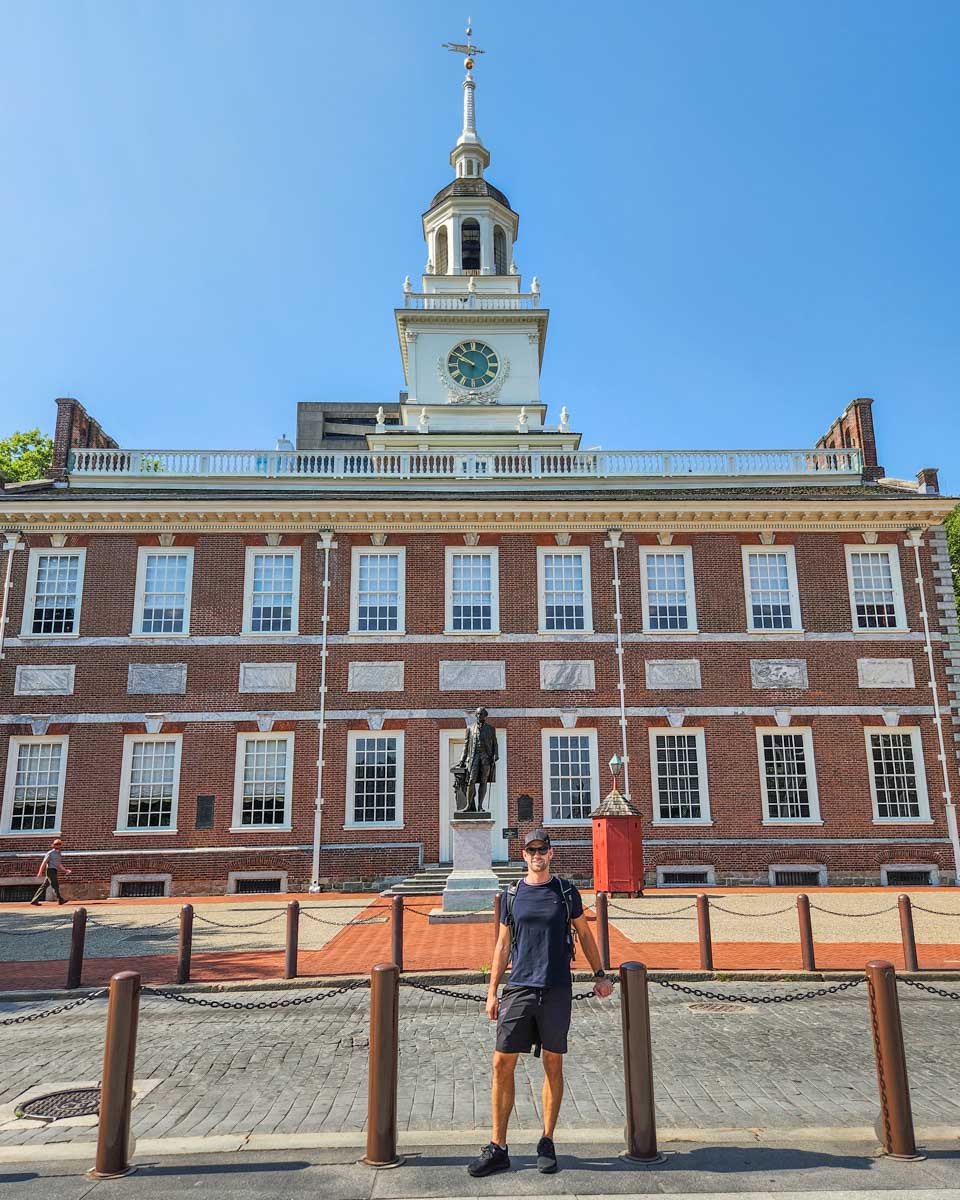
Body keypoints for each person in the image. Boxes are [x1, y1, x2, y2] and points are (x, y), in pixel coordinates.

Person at [468, 829, 614, 1178]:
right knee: (502, 1062)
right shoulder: (512, 895)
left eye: (542, 849)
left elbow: (584, 933)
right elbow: (502, 946)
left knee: (552, 1063)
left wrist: (600, 973)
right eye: (531, 850)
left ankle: (547, 1140)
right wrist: (492, 991)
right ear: (524, 855)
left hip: (556, 987)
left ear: (551, 853)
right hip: (519, 987)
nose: (537, 855)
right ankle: (498, 1146)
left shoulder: (565, 893)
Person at [454, 706, 499, 813]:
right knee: (471, 781)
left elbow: (495, 744)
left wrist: (495, 755)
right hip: (474, 757)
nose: (478, 716)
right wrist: (462, 760)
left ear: (485, 716)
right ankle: (469, 806)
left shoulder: (491, 729)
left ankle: (480, 806)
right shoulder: (470, 728)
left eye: (480, 714)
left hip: (486, 758)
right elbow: (466, 745)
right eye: (477, 714)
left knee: (483, 782)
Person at [30, 838, 71, 905]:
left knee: (44, 886)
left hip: (54, 870)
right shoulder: (50, 853)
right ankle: (60, 900)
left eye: (59, 844)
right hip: (50, 871)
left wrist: (65, 870)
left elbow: (59, 864)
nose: (58, 845)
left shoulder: (59, 854)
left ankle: (34, 900)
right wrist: (40, 872)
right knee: (55, 885)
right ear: (53, 845)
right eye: (56, 844)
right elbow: (44, 863)